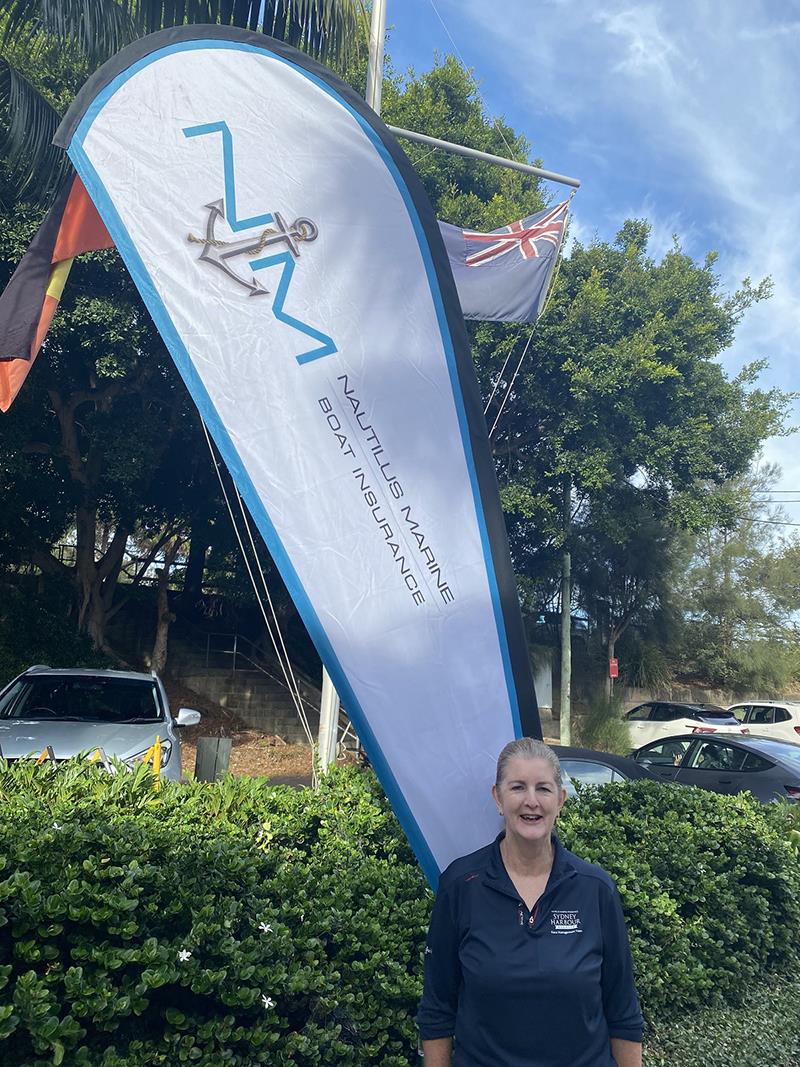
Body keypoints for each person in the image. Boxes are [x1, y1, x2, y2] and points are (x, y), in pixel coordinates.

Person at [417, 737, 643, 1067]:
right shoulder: (461, 886)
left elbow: (623, 1013)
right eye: (518, 787)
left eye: (544, 788)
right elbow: (437, 1011)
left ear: (561, 800)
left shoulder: (596, 890)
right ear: (498, 797)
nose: (531, 801)